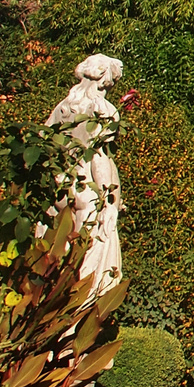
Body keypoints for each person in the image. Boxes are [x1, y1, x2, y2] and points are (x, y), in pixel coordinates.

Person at [45, 54, 126, 299]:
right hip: (86, 191)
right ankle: (77, 324)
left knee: (57, 260)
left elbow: (46, 147)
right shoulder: (103, 110)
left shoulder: (62, 108)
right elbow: (99, 159)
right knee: (87, 266)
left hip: (60, 188)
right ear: (105, 81)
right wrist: (110, 199)